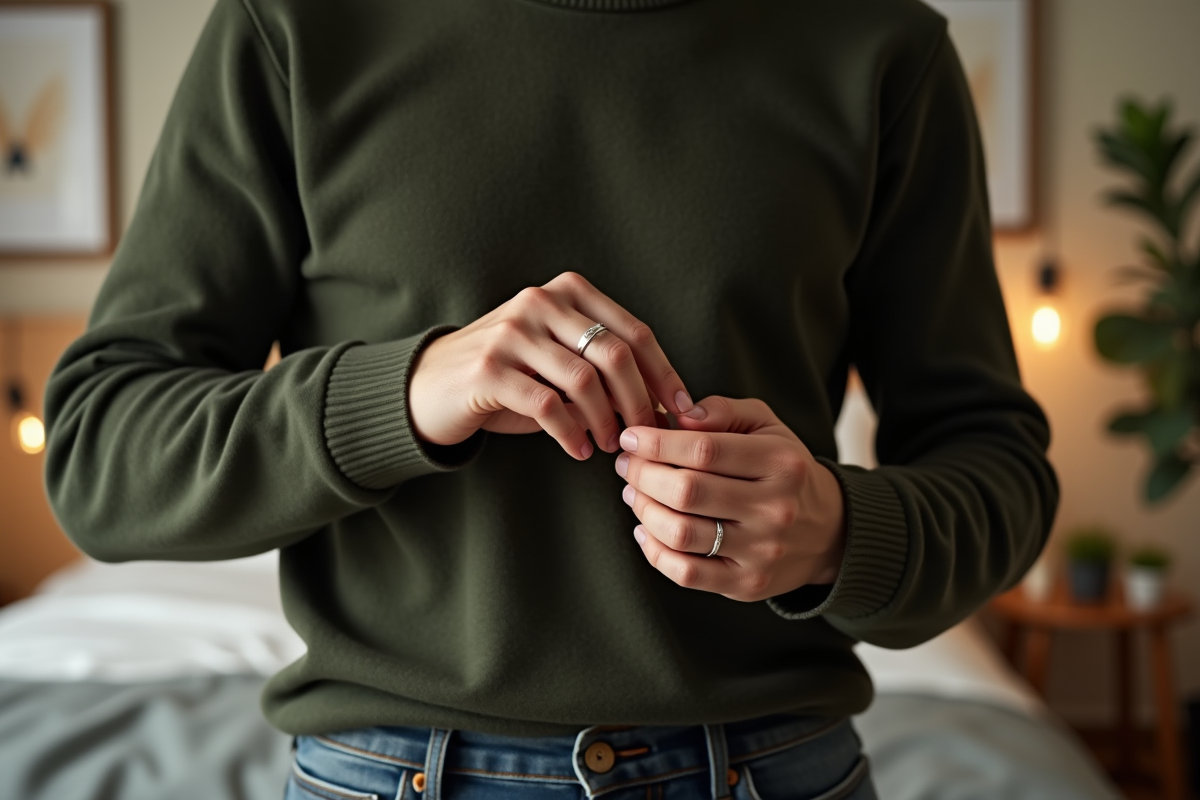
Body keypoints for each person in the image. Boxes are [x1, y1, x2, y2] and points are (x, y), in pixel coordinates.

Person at [44, 0, 1059, 797]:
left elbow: (999, 468)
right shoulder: (293, 22)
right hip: (386, 771)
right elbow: (99, 450)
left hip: (771, 766)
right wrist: (402, 394)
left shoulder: (881, 46)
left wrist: (838, 531)